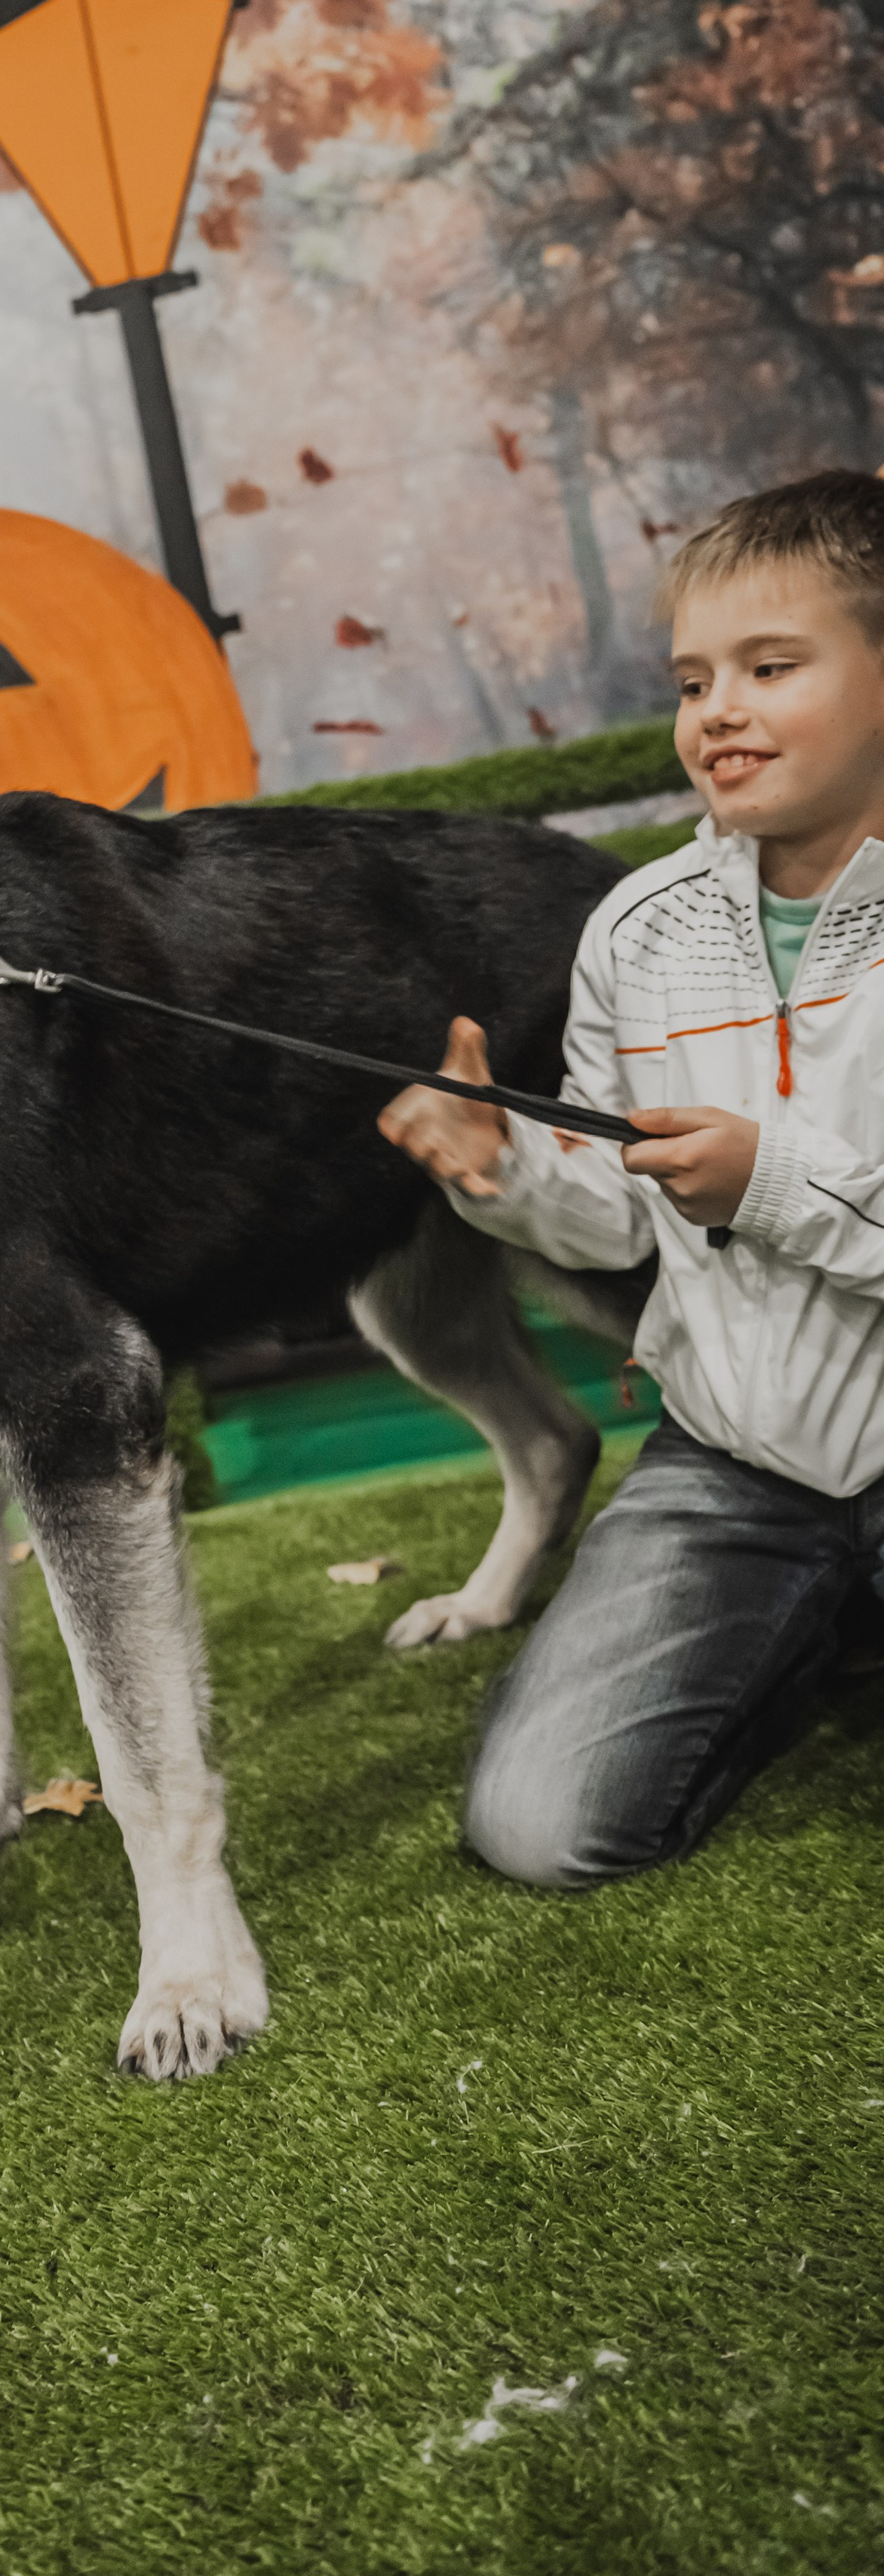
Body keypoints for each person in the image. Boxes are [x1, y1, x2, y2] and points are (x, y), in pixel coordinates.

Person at [378, 469, 884, 1886]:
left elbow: (750, 1187)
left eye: (771, 668)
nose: (716, 711)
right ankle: (800, 1624)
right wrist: (504, 1168)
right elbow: (615, 1211)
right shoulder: (639, 929)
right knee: (539, 1831)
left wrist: (772, 1182)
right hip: (736, 1464)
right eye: (691, 680)